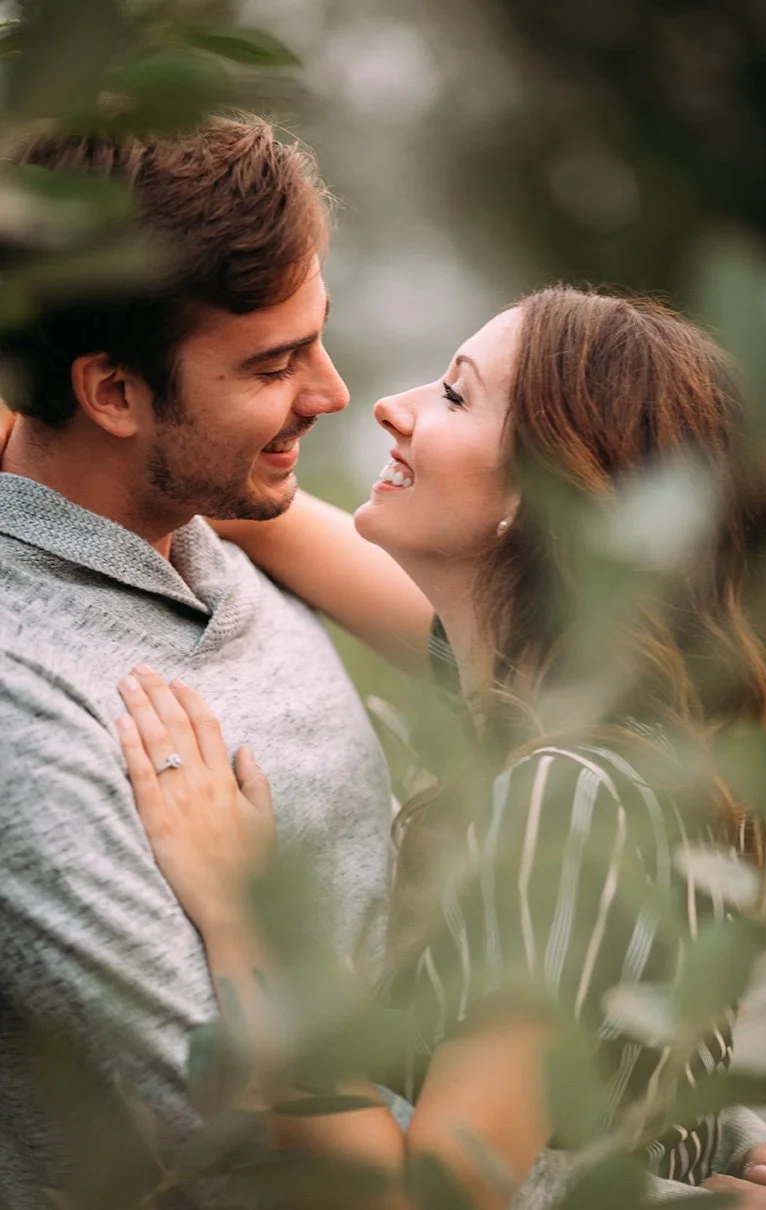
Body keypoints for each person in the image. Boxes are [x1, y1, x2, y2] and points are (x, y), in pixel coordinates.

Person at [115, 288, 766, 1208]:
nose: (389, 406)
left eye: (453, 395)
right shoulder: (589, 712)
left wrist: (246, 915)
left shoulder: (568, 793)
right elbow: (251, 509)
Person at [0, 115, 433, 1208]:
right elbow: (238, 1151)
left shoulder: (213, 521)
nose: (333, 393)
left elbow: (501, 661)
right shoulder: (27, 707)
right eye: (274, 363)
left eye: (316, 336)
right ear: (112, 393)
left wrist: (691, 1129)